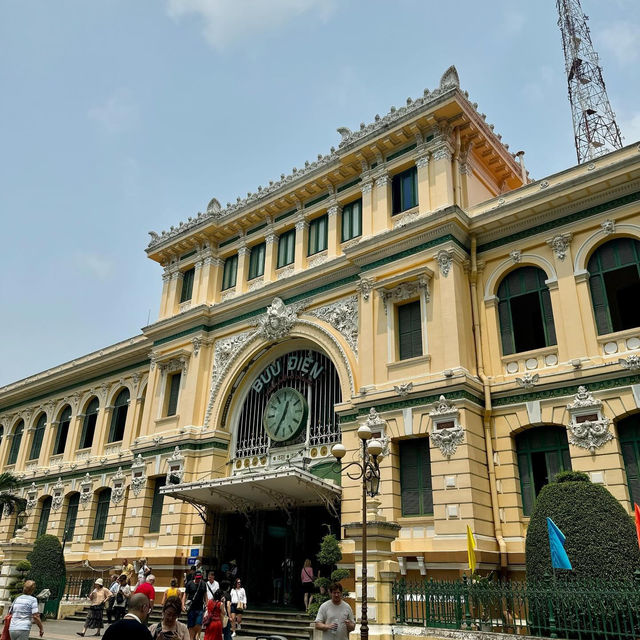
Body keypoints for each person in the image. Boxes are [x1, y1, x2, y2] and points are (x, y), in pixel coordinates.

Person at [183, 570, 207, 640]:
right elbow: (185, 595)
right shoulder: (189, 584)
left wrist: (207, 605)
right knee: (190, 625)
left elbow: (205, 595)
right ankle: (191, 637)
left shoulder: (203, 584)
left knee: (199, 623)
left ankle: (197, 636)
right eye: (197, 578)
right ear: (194, 577)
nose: (198, 580)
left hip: (200, 608)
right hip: (191, 608)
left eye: (200, 578)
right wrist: (183, 604)